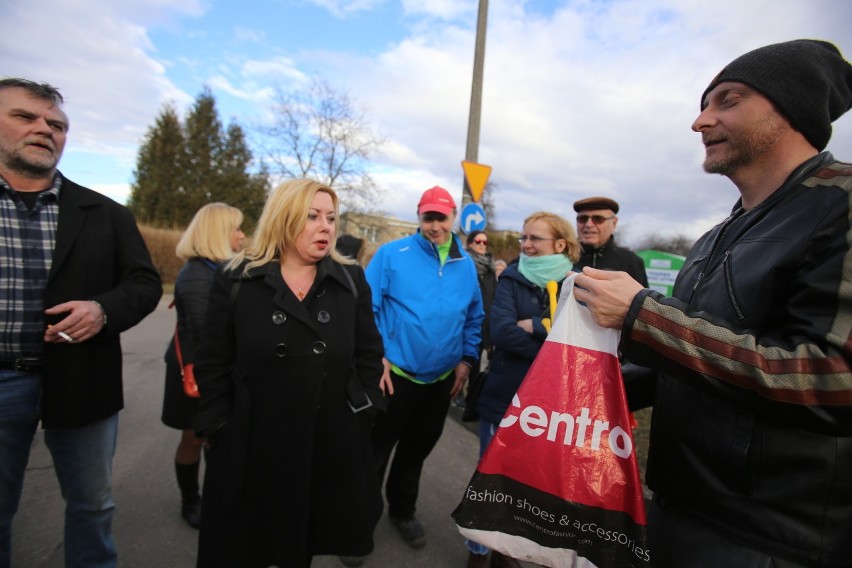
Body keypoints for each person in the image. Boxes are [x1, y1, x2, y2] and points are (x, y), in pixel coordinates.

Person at [574, 39, 852, 568]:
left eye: (728, 100)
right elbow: (687, 364)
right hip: (677, 507)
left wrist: (643, 315)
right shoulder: (713, 236)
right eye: (705, 104)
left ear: (791, 109)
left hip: (770, 539)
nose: (701, 121)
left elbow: (834, 377)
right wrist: (580, 387)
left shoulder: (842, 203)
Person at [0, 79, 162, 567]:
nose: (43, 130)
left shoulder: (105, 213)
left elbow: (144, 283)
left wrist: (103, 309)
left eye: (56, 124)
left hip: (81, 375)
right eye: (25, 117)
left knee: (92, 505)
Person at [192, 179, 385, 568]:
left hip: (325, 441)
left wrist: (365, 412)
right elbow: (212, 360)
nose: (326, 227)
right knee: (244, 547)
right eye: (312, 216)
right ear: (284, 218)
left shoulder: (349, 280)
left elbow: (368, 352)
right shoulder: (237, 278)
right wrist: (220, 425)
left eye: (331, 218)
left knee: (300, 542)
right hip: (251, 441)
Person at [365, 186, 483, 553]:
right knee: (375, 451)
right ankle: (359, 522)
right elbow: (364, 308)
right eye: (427, 217)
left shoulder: (466, 265)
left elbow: (474, 318)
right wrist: (376, 356)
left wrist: (466, 361)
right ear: (419, 217)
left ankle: (402, 510)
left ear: (453, 219)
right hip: (394, 375)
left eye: (441, 217)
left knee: (416, 450)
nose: (434, 225)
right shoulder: (391, 254)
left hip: (440, 381)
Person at [469, 212, 580, 568]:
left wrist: (533, 323)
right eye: (523, 238)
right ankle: (478, 551)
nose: (526, 245)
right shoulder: (512, 278)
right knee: (490, 478)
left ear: (560, 245)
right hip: (504, 394)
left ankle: (506, 551)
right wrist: (553, 345)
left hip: (549, 404)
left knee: (525, 482)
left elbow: (577, 337)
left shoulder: (577, 283)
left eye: (535, 238)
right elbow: (501, 332)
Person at [161, 202, 244, 529]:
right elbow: (208, 334)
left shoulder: (220, 269)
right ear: (218, 233)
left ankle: (216, 496)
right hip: (196, 371)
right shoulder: (197, 275)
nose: (242, 235)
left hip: (213, 369)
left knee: (214, 437)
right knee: (195, 437)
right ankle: (191, 500)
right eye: (236, 228)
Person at [572, 196, 648, 286]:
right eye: (583, 218)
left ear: (614, 223)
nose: (588, 224)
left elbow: (641, 298)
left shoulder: (632, 262)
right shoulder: (564, 258)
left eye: (598, 219)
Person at [465, 230, 497, 355]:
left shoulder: (490, 268)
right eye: (478, 241)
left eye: (485, 242)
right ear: (470, 244)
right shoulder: (465, 265)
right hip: (470, 325)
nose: (482, 244)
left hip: (488, 324)